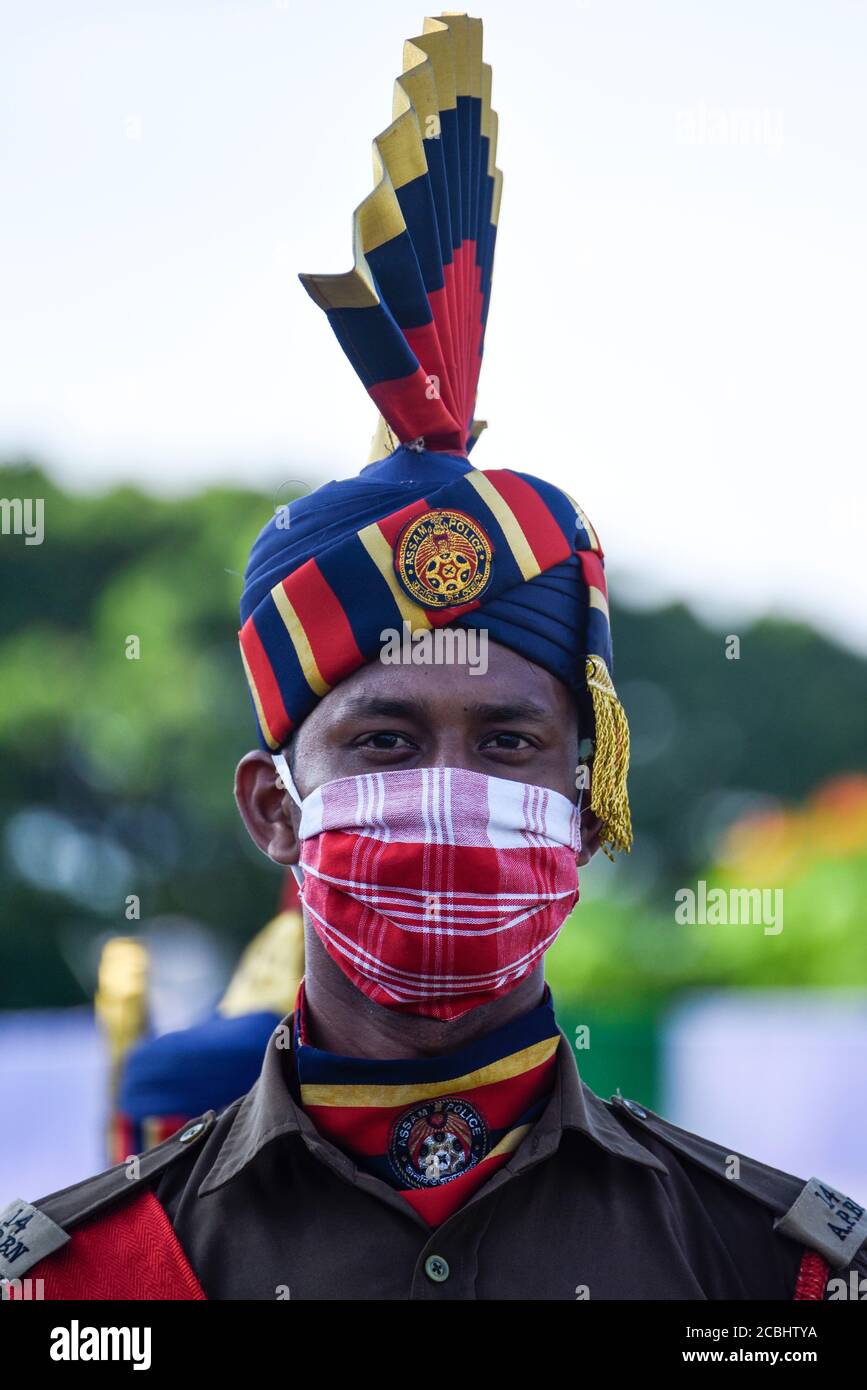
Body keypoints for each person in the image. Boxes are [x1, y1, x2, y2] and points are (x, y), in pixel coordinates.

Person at [2, 11, 865, 1302]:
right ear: (271, 808)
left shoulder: (767, 1272)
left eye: (511, 741)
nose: (451, 788)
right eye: (386, 739)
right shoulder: (92, 1284)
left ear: (587, 800)